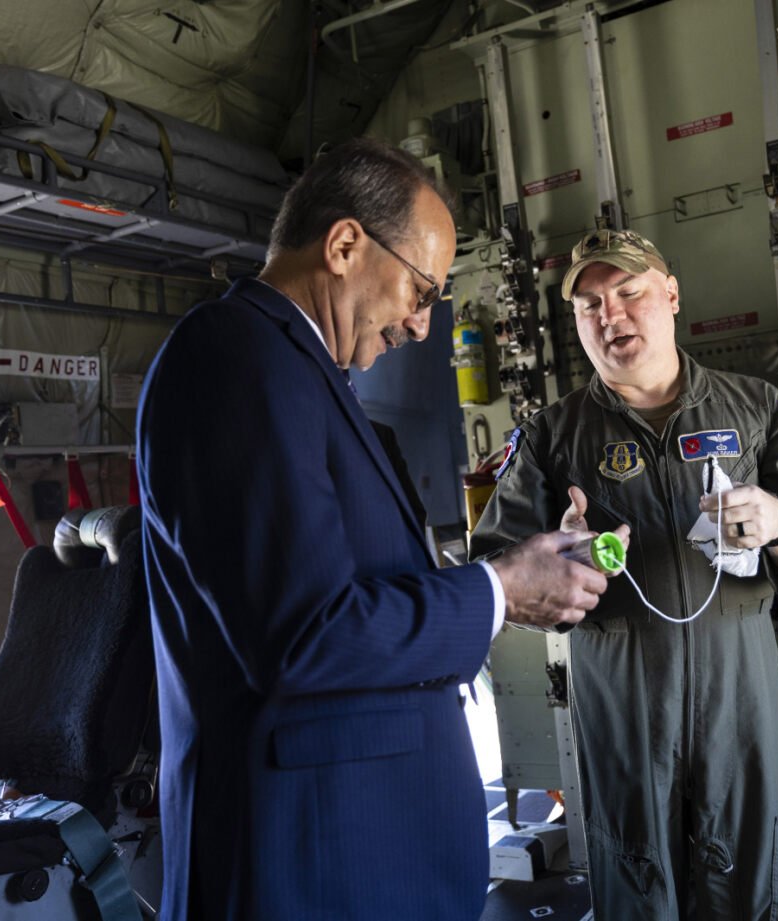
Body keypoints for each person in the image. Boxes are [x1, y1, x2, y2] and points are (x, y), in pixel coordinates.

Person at [137, 138, 611, 921]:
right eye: (421, 291)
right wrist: (498, 591)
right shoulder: (235, 357)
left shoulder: (301, 375)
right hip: (314, 866)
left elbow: (349, 583)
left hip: (364, 858)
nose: (423, 326)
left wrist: (506, 570)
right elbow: (305, 633)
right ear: (345, 244)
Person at [470, 229, 778, 921]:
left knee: (751, 876)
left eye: (627, 293)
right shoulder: (552, 435)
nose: (609, 315)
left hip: (740, 693)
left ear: (670, 295)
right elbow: (490, 570)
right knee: (635, 875)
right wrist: (554, 566)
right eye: (588, 305)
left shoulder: (755, 407)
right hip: (620, 700)